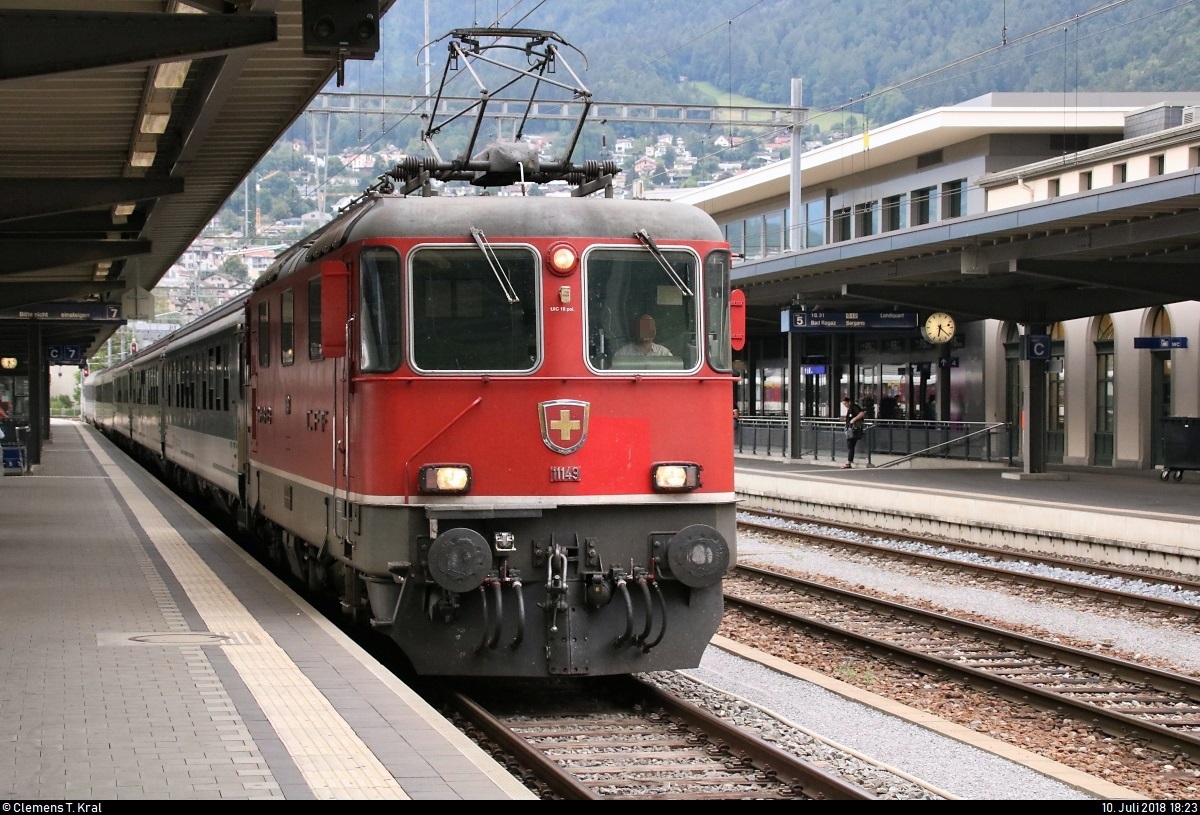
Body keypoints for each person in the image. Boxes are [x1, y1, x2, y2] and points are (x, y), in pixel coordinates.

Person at [841, 395, 865, 469]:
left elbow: (862, 413)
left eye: (846, 403)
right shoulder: (850, 409)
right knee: (851, 445)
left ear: (849, 402)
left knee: (850, 445)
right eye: (844, 404)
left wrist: (854, 419)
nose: (845, 405)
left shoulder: (854, 407)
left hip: (853, 429)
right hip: (850, 429)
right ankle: (849, 461)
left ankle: (849, 462)